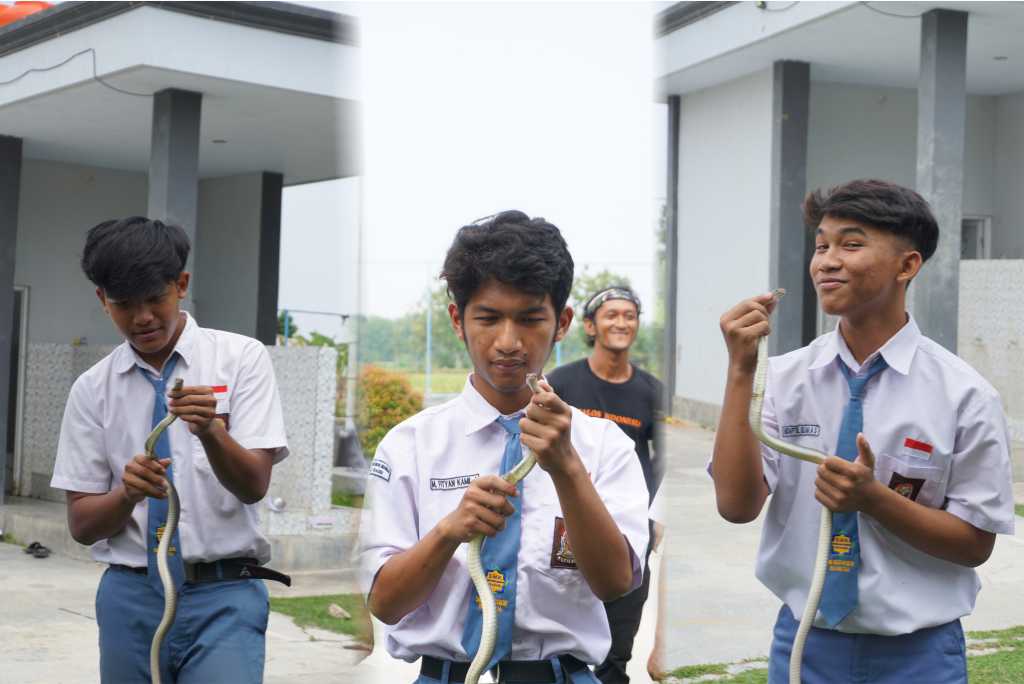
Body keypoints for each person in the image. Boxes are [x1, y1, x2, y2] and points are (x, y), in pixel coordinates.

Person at [713, 179, 1015, 683]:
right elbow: (737, 506)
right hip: (804, 642)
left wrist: (874, 499)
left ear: (907, 265)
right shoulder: (782, 380)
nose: (827, 261)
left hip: (919, 655)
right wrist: (742, 372)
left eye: (851, 244)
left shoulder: (965, 396)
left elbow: (974, 543)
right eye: (821, 245)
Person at [359, 210, 649, 684]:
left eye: (531, 318)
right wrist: (449, 530)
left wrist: (567, 469)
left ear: (563, 323)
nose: (509, 342)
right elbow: (386, 604)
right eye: (489, 318)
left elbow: (615, 583)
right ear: (458, 319)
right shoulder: (409, 446)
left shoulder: (602, 446)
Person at [50, 217, 290, 683]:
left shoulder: (241, 359)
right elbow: (81, 524)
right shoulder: (91, 389)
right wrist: (127, 494)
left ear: (181, 285)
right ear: (103, 301)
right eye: (123, 304)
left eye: (155, 299)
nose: (142, 318)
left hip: (223, 594)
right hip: (131, 596)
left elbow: (254, 486)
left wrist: (211, 432)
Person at [547, 285, 663, 684]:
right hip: (565, 528)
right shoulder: (561, 383)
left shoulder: (650, 392)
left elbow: (662, 458)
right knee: (562, 647)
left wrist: (658, 519)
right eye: (611, 315)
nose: (621, 323)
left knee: (617, 651)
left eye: (629, 315)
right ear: (590, 325)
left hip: (629, 526)